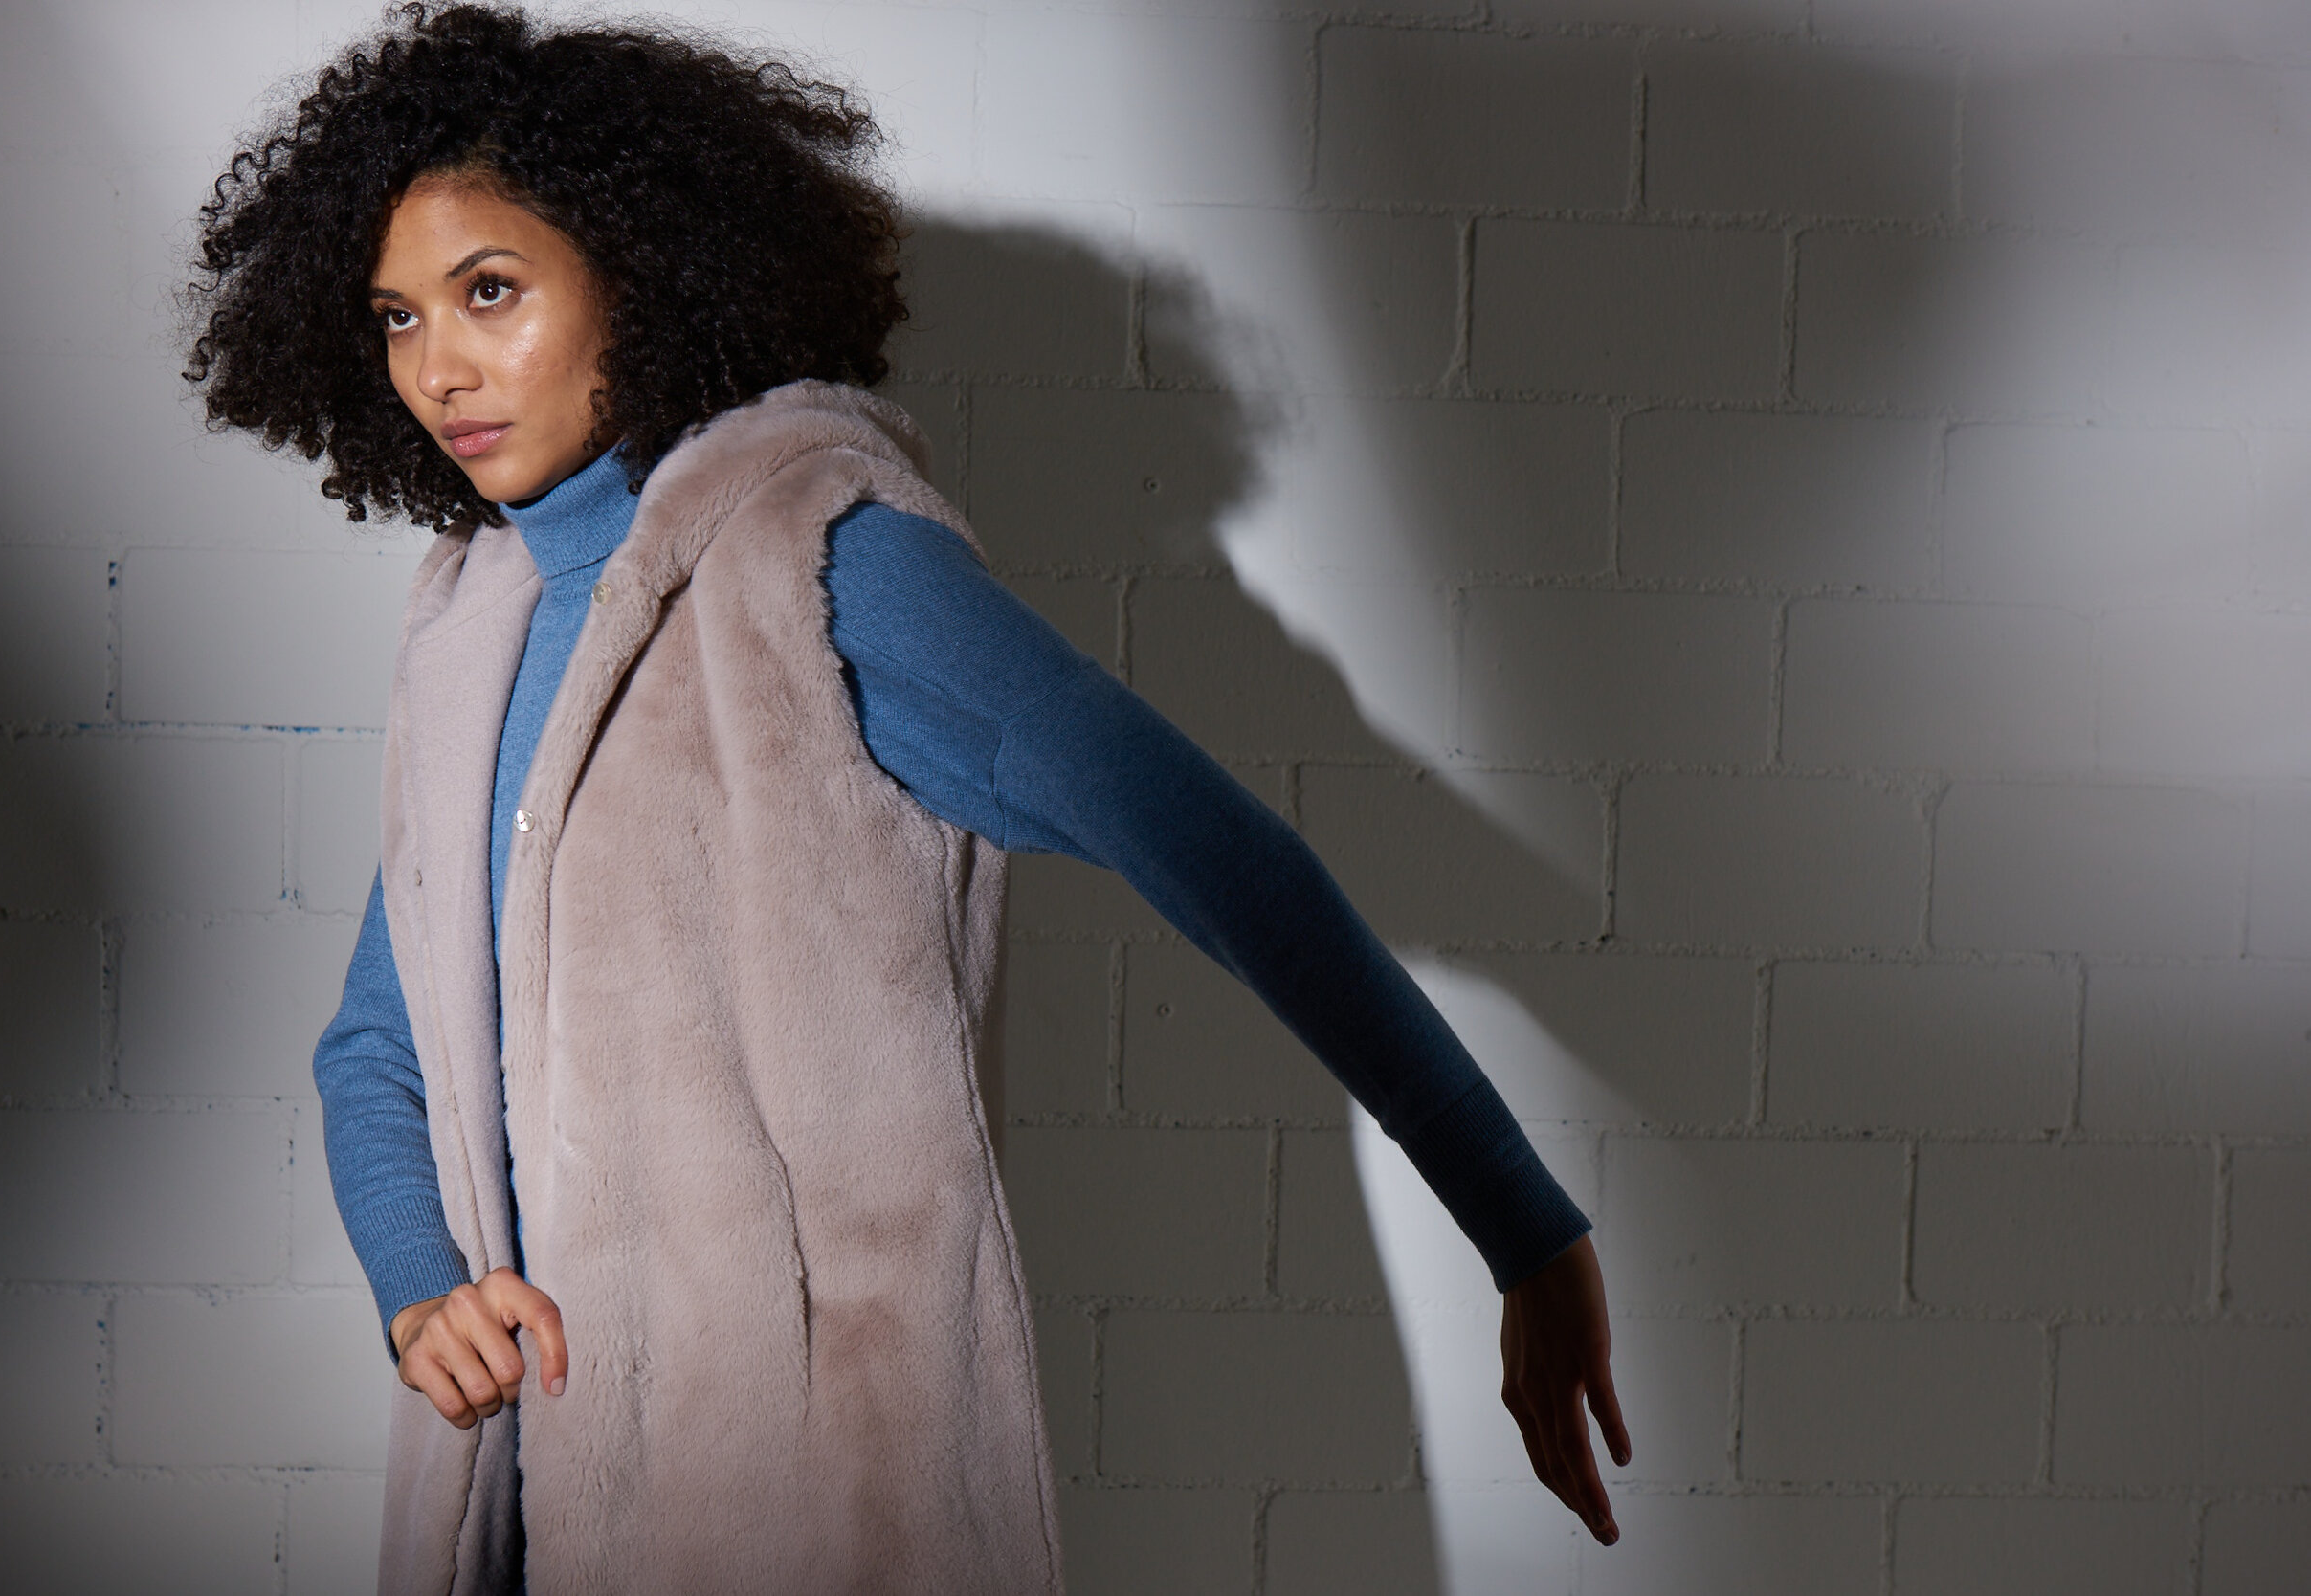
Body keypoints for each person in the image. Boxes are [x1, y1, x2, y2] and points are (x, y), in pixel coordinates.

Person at [187, 5, 1630, 1590]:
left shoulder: (823, 565)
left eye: (490, 292)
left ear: (641, 275)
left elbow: (1227, 859)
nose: (439, 367)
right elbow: (379, 1043)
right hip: (514, 1500)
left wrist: (1521, 1224)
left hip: (799, 1502)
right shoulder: (474, 627)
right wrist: (421, 1291)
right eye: (397, 318)